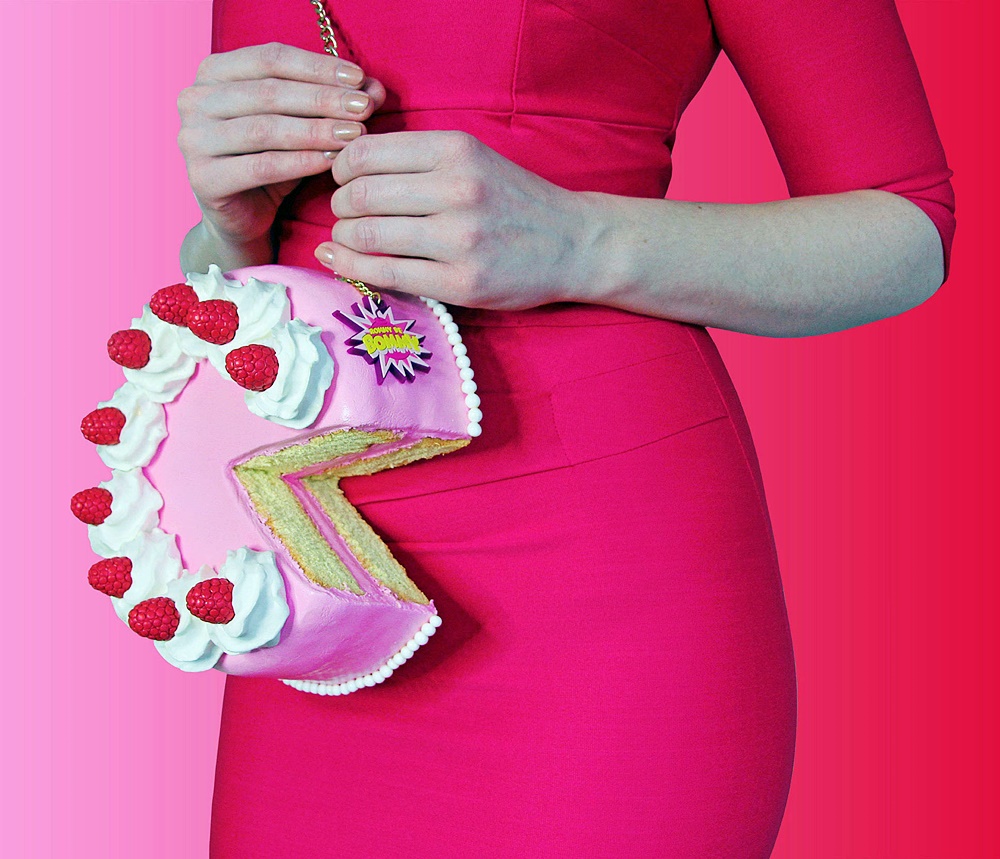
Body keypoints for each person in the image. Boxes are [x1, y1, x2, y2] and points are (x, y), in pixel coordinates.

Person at [180, 1, 954, 856]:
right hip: (311, 579)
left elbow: (908, 229)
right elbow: (258, 271)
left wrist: (580, 241)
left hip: (590, 581)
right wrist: (228, 230)